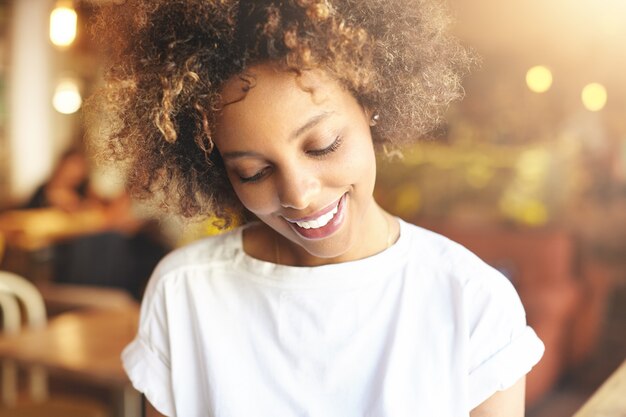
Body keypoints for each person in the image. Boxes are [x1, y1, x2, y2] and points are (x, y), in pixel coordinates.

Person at [89, 0, 544, 416]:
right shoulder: (184, 293)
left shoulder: (472, 302)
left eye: (323, 146)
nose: (300, 195)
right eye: (253, 172)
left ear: (369, 104)